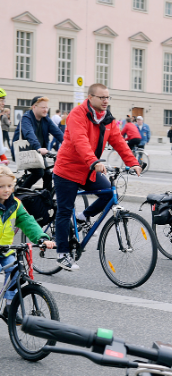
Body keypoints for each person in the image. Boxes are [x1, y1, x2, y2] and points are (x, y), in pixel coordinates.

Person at [53, 83, 142, 270]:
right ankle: (62, 253)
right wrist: (94, 161)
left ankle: (84, 216)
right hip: (68, 170)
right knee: (64, 210)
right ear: (90, 97)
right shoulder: (77, 114)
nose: (105, 101)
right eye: (101, 97)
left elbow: (119, 142)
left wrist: (132, 162)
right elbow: (80, 141)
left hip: (89, 170)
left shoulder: (108, 119)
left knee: (110, 193)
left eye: (108, 97)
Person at [0, 166, 56, 321]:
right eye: (1, 186)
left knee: (16, 272)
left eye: (9, 186)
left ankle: (10, 307)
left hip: (5, 250)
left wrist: (42, 238)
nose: (6, 190)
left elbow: (27, 221)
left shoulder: (15, 204)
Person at [13, 96, 64, 189]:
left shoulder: (46, 119)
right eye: (43, 107)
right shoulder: (26, 118)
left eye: (46, 107)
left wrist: (69, 145)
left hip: (39, 153)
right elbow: (29, 134)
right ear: (34, 107)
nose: (45, 110)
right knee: (39, 172)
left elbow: (58, 132)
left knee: (48, 175)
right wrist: (38, 147)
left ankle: (45, 200)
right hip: (25, 152)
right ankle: (20, 194)